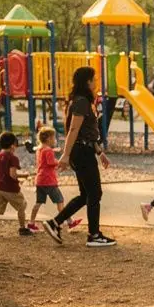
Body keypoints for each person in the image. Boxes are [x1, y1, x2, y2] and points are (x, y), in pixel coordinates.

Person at [43, 67, 116, 248]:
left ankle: (55, 223)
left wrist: (100, 153)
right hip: (80, 152)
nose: (96, 81)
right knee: (95, 193)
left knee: (86, 195)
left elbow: (88, 133)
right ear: (87, 82)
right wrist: (65, 155)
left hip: (84, 150)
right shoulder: (81, 102)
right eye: (94, 79)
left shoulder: (82, 101)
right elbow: (74, 130)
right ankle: (94, 235)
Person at [28, 128, 81, 232]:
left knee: (38, 203)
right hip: (49, 181)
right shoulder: (48, 150)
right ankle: (69, 222)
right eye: (53, 138)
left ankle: (31, 223)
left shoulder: (40, 149)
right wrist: (61, 162)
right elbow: (50, 162)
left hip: (40, 180)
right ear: (48, 139)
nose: (55, 140)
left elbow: (45, 162)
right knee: (60, 202)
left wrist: (54, 152)